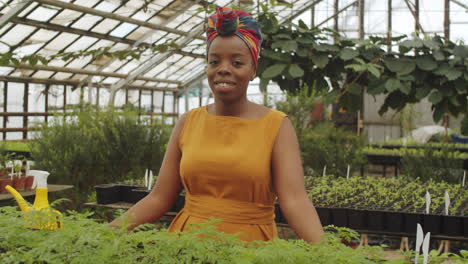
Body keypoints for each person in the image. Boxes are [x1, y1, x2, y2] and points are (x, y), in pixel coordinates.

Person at [110, 7, 324, 243]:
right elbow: (159, 198)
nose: (224, 68)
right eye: (214, 61)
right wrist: (104, 233)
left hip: (249, 249)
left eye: (237, 62)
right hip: (187, 246)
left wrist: (329, 254)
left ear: (253, 69)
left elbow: (294, 201)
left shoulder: (276, 126)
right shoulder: (188, 122)